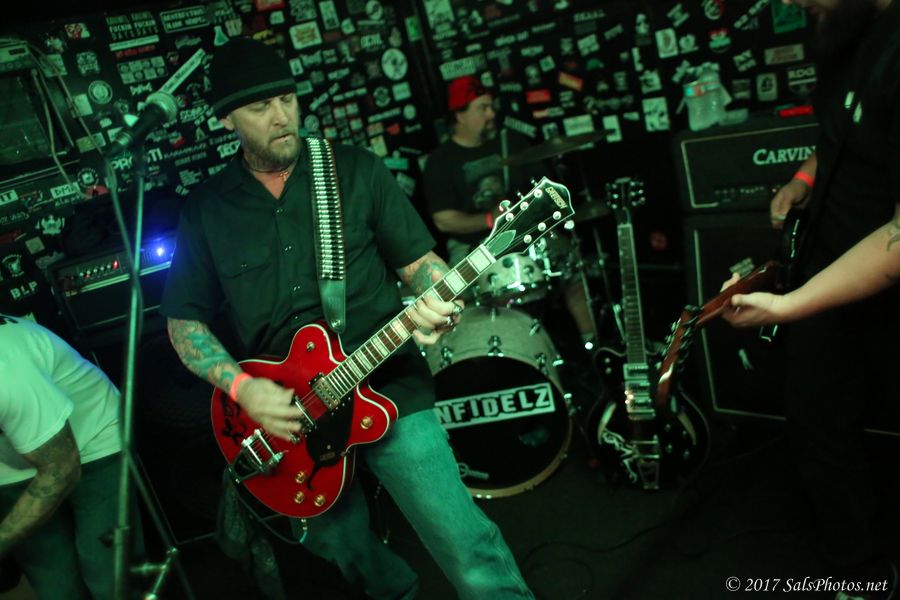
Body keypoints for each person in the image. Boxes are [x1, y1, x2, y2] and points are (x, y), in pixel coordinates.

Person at [159, 38, 534, 599]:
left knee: (465, 542)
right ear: (226, 119)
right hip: (289, 418)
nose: (281, 116)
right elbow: (184, 324)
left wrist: (440, 304)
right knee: (338, 545)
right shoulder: (207, 209)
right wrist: (242, 387)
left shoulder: (354, 170)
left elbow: (423, 267)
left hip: (385, 384)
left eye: (287, 99)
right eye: (260, 107)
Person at [722, 1, 899, 598]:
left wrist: (786, 306)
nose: (796, 2)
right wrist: (803, 180)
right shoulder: (845, 32)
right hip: (828, 268)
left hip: (881, 278)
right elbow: (842, 133)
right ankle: (860, 573)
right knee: (818, 419)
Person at [422, 75, 596, 347]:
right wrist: (489, 219)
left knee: (572, 268)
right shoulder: (440, 161)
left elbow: (544, 193)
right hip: (472, 247)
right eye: (482, 108)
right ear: (459, 115)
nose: (491, 114)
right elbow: (444, 221)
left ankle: (594, 348)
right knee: (454, 299)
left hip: (526, 234)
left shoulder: (511, 142)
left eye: (491, 106)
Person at [0, 313, 140, 599]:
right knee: (56, 588)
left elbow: (60, 468)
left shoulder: (6, 371)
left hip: (92, 437)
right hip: (12, 457)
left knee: (110, 580)